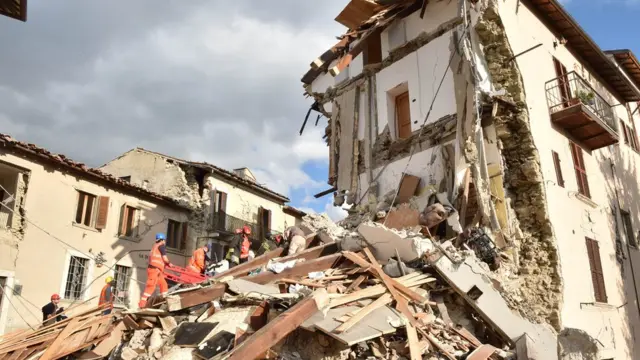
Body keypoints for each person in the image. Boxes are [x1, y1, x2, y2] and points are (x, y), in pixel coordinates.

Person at [138, 233, 172, 308]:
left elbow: (155, 259)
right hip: (154, 270)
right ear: (162, 240)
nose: (165, 242)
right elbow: (165, 258)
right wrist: (169, 263)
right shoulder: (161, 246)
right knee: (151, 287)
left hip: (156, 270)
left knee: (164, 285)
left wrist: (163, 265)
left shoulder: (154, 247)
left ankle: (165, 301)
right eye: (164, 240)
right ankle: (142, 304)